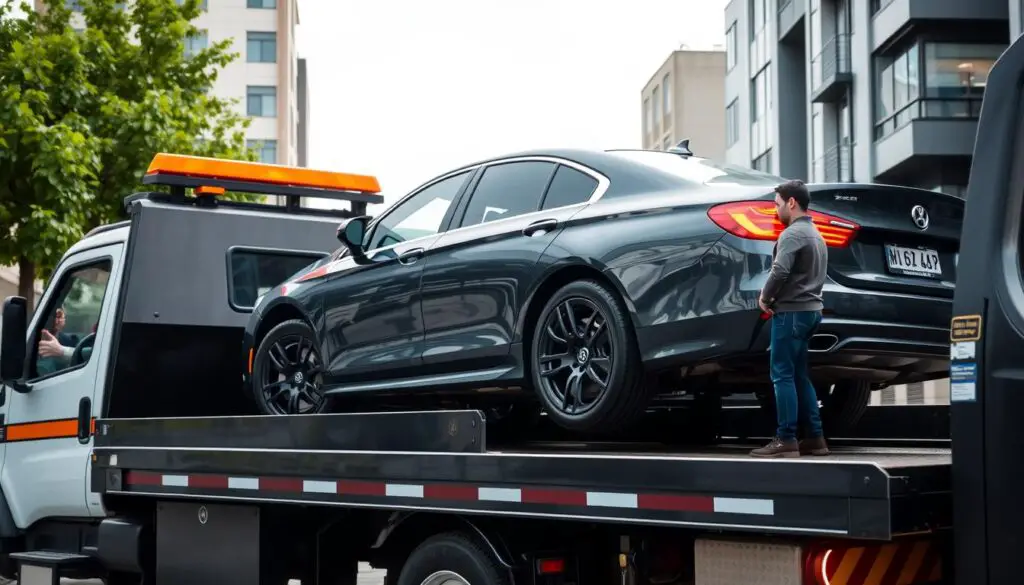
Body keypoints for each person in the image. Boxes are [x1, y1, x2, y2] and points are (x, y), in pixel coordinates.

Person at [750, 180, 831, 458]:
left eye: (777, 204)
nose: (776, 210)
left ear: (791, 203)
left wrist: (765, 297)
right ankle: (816, 439)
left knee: (781, 375)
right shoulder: (816, 234)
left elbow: (780, 271)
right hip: (811, 313)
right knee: (799, 375)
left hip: (792, 313)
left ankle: (786, 439)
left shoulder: (792, 234)